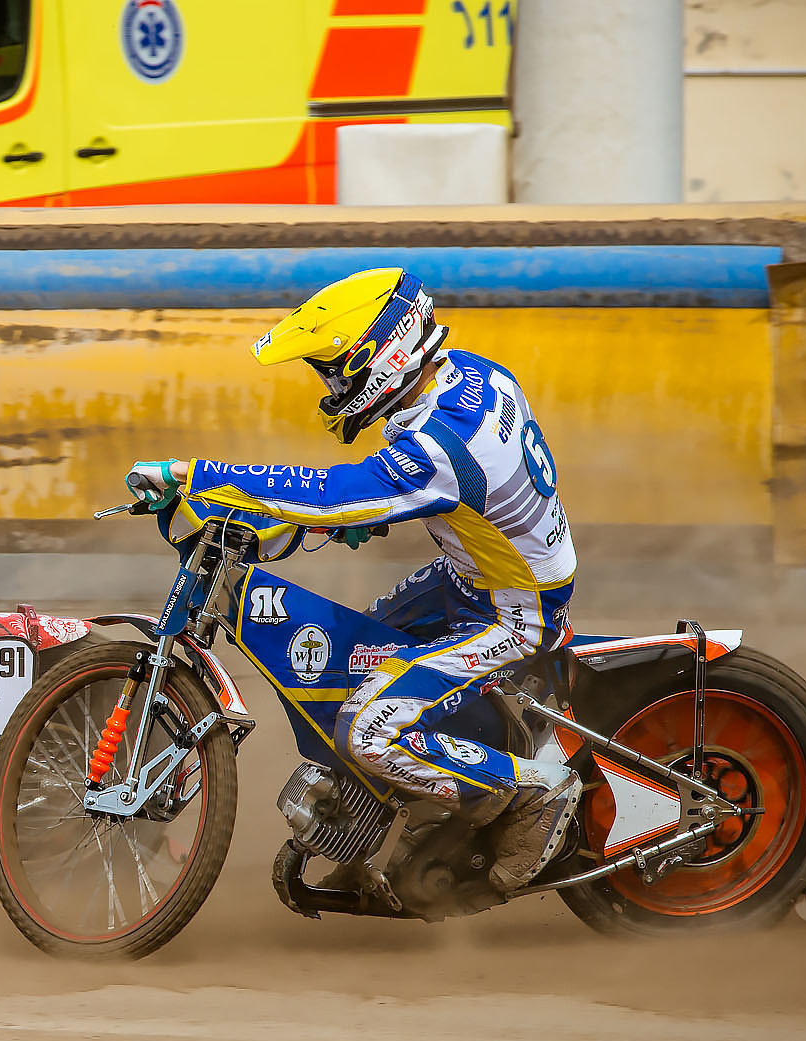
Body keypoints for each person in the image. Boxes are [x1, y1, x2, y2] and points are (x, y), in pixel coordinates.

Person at [124, 267, 582, 894]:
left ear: (385, 353)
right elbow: (427, 497)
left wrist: (195, 473)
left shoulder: (442, 443)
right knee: (345, 664)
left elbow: (337, 492)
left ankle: (534, 792)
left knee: (367, 727)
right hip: (471, 579)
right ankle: (395, 826)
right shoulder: (467, 373)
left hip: (515, 613)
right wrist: (369, 514)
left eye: (336, 368)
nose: (332, 385)